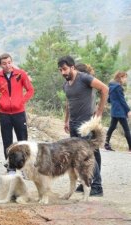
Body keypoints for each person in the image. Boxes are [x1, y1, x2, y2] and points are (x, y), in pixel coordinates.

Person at [58, 55, 109, 196]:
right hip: (74, 124)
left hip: (86, 124)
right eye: (60, 70)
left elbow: (104, 89)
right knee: (86, 154)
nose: (63, 72)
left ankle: (97, 187)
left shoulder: (84, 78)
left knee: (87, 154)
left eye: (65, 69)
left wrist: (99, 112)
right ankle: (87, 182)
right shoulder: (66, 85)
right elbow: (69, 102)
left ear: (72, 67)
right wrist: (66, 120)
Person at [0, 53, 34, 161]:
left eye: (9, 62)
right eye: (4, 63)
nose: (7, 65)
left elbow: (30, 90)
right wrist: (1, 103)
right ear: (0, 65)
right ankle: (10, 166)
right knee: (7, 140)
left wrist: (21, 102)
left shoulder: (20, 74)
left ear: (12, 62)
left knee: (22, 141)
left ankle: (24, 165)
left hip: (19, 113)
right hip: (4, 114)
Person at [104, 71, 131, 152]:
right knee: (126, 129)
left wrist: (114, 101)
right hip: (120, 111)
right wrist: (128, 110)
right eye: (125, 78)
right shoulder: (118, 87)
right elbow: (122, 101)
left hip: (114, 110)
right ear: (121, 77)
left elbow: (109, 100)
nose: (125, 80)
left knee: (112, 127)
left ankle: (106, 144)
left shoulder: (111, 86)